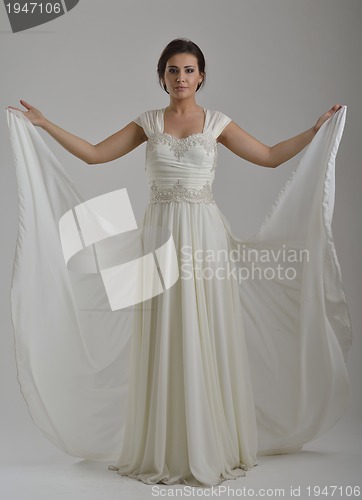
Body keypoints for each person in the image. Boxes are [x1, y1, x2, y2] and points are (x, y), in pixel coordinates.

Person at [7, 38, 350, 488]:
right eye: (173, 71)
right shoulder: (149, 122)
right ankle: (169, 446)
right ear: (162, 76)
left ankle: (210, 442)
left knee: (203, 328)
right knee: (167, 330)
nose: (181, 78)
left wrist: (314, 132)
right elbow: (94, 153)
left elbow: (267, 157)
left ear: (202, 76)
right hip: (160, 236)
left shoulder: (216, 123)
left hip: (205, 238)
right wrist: (44, 124)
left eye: (189, 71)